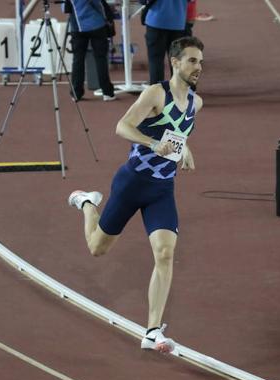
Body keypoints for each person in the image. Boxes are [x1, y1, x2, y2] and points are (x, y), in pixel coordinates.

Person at [67, 36, 204, 353]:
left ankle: (152, 331)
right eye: (192, 61)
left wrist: (186, 152)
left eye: (201, 62)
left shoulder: (196, 103)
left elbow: (177, 133)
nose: (198, 67)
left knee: (166, 254)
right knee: (97, 249)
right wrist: (152, 143)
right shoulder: (156, 93)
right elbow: (122, 126)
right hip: (131, 183)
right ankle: (87, 203)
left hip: (162, 190)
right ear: (176, 62)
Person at [65, 0, 116, 101]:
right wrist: (107, 18)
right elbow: (99, 5)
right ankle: (107, 92)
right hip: (96, 24)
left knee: (78, 60)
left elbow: (65, 8)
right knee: (100, 58)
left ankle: (76, 93)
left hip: (77, 26)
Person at [143, 0, 191, 85]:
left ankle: (157, 92)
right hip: (178, 22)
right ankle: (179, 93)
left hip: (156, 21)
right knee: (177, 61)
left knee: (156, 61)